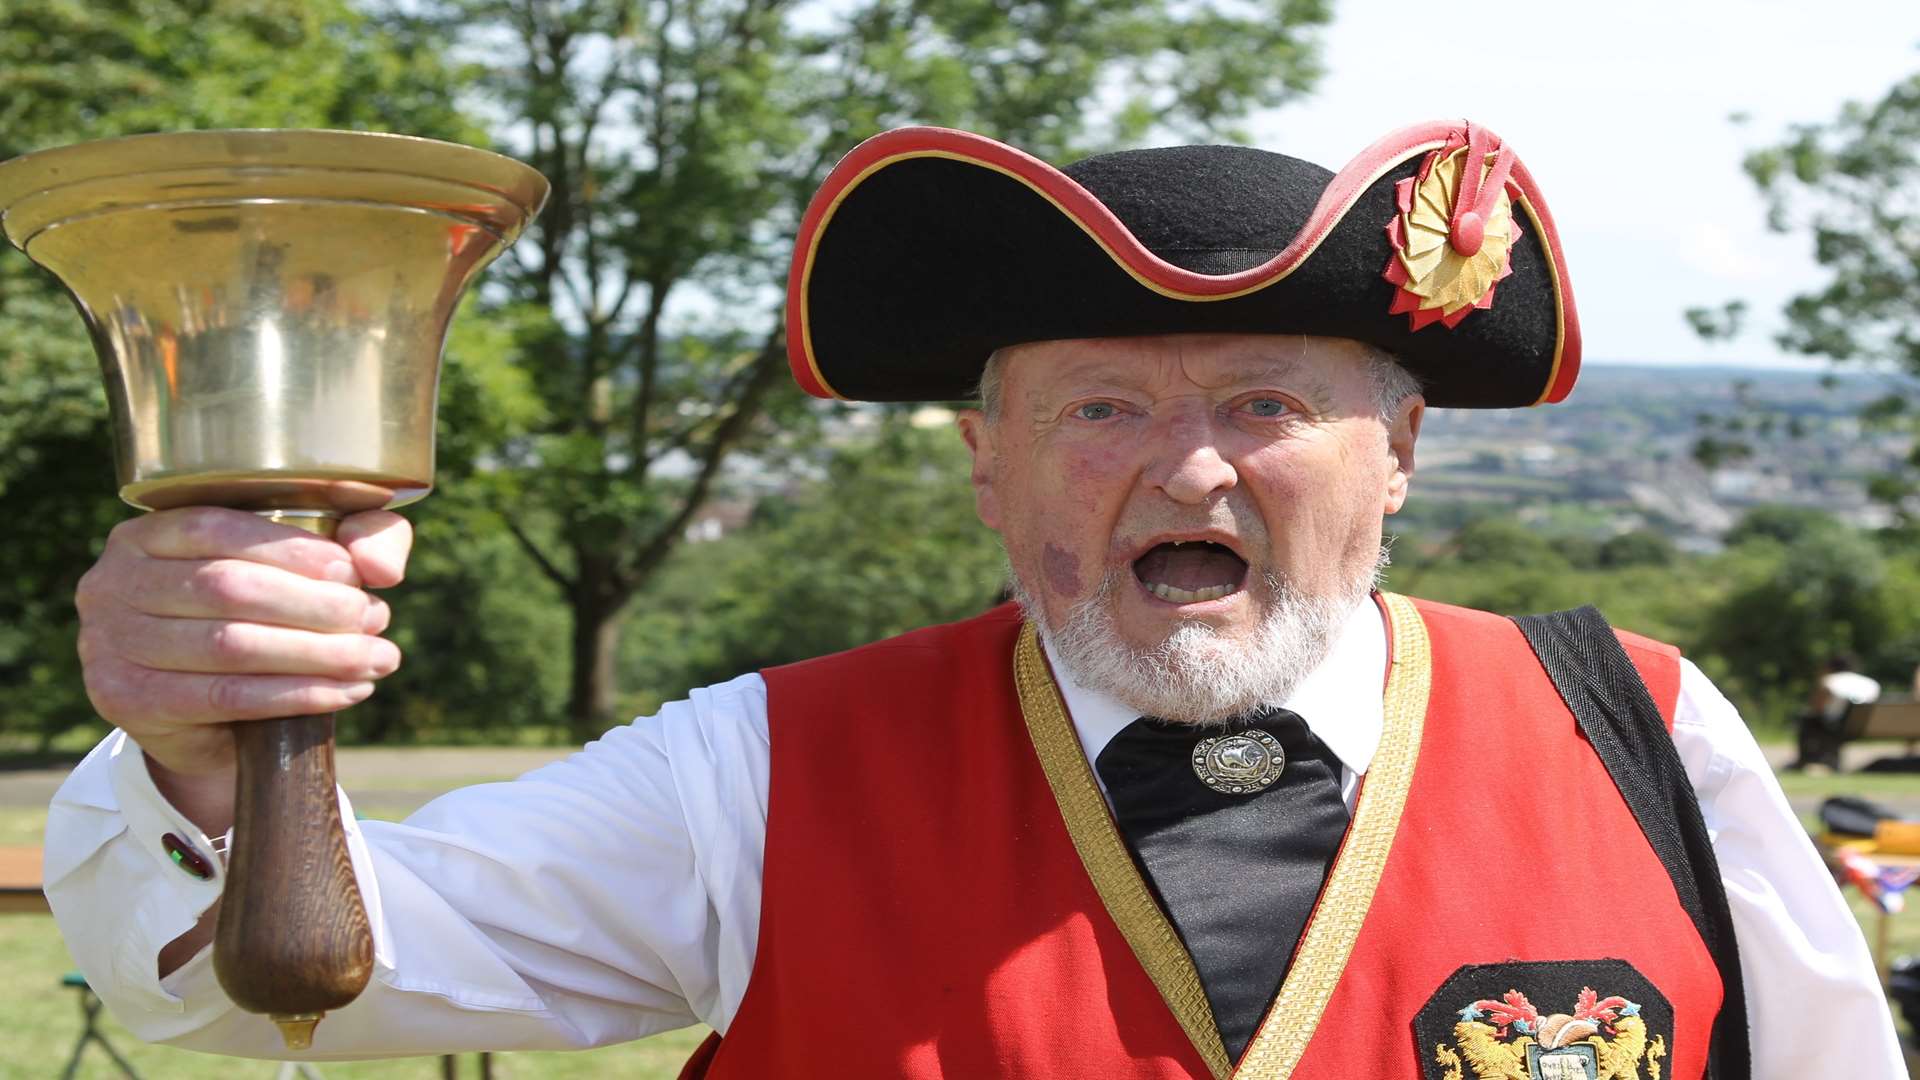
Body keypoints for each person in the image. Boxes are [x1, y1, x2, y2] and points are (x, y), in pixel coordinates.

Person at [43, 121, 1902, 1078]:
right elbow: (275, 987)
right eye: (1100, 409)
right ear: (986, 464)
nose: (1185, 470)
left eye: (1268, 402)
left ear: (1401, 451)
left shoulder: (1637, 731)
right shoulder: (770, 769)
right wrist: (216, 749)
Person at [1793, 653, 1882, 772]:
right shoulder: (1871, 684)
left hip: (1834, 727)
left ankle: (1806, 761)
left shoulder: (1829, 681)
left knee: (1806, 719)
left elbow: (1816, 708)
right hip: (1863, 728)